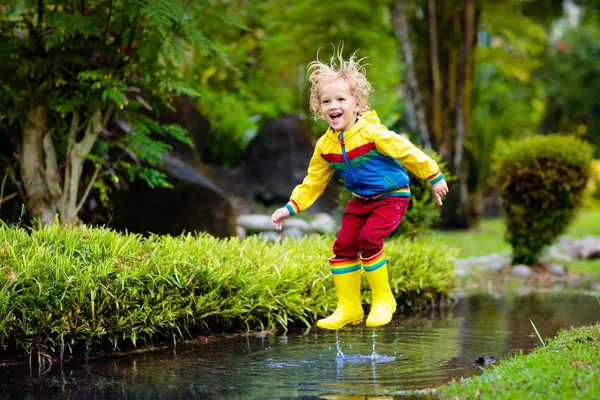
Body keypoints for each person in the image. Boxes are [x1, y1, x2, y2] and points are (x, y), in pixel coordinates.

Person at [270, 48, 449, 330]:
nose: (333, 105)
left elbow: (406, 151)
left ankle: (383, 300)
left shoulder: (372, 133)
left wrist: (433, 175)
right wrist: (290, 208)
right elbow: (314, 181)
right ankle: (349, 307)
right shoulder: (325, 146)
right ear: (320, 108)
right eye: (326, 101)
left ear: (357, 104)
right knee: (342, 247)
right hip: (361, 200)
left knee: (369, 240)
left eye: (340, 99)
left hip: (391, 196)